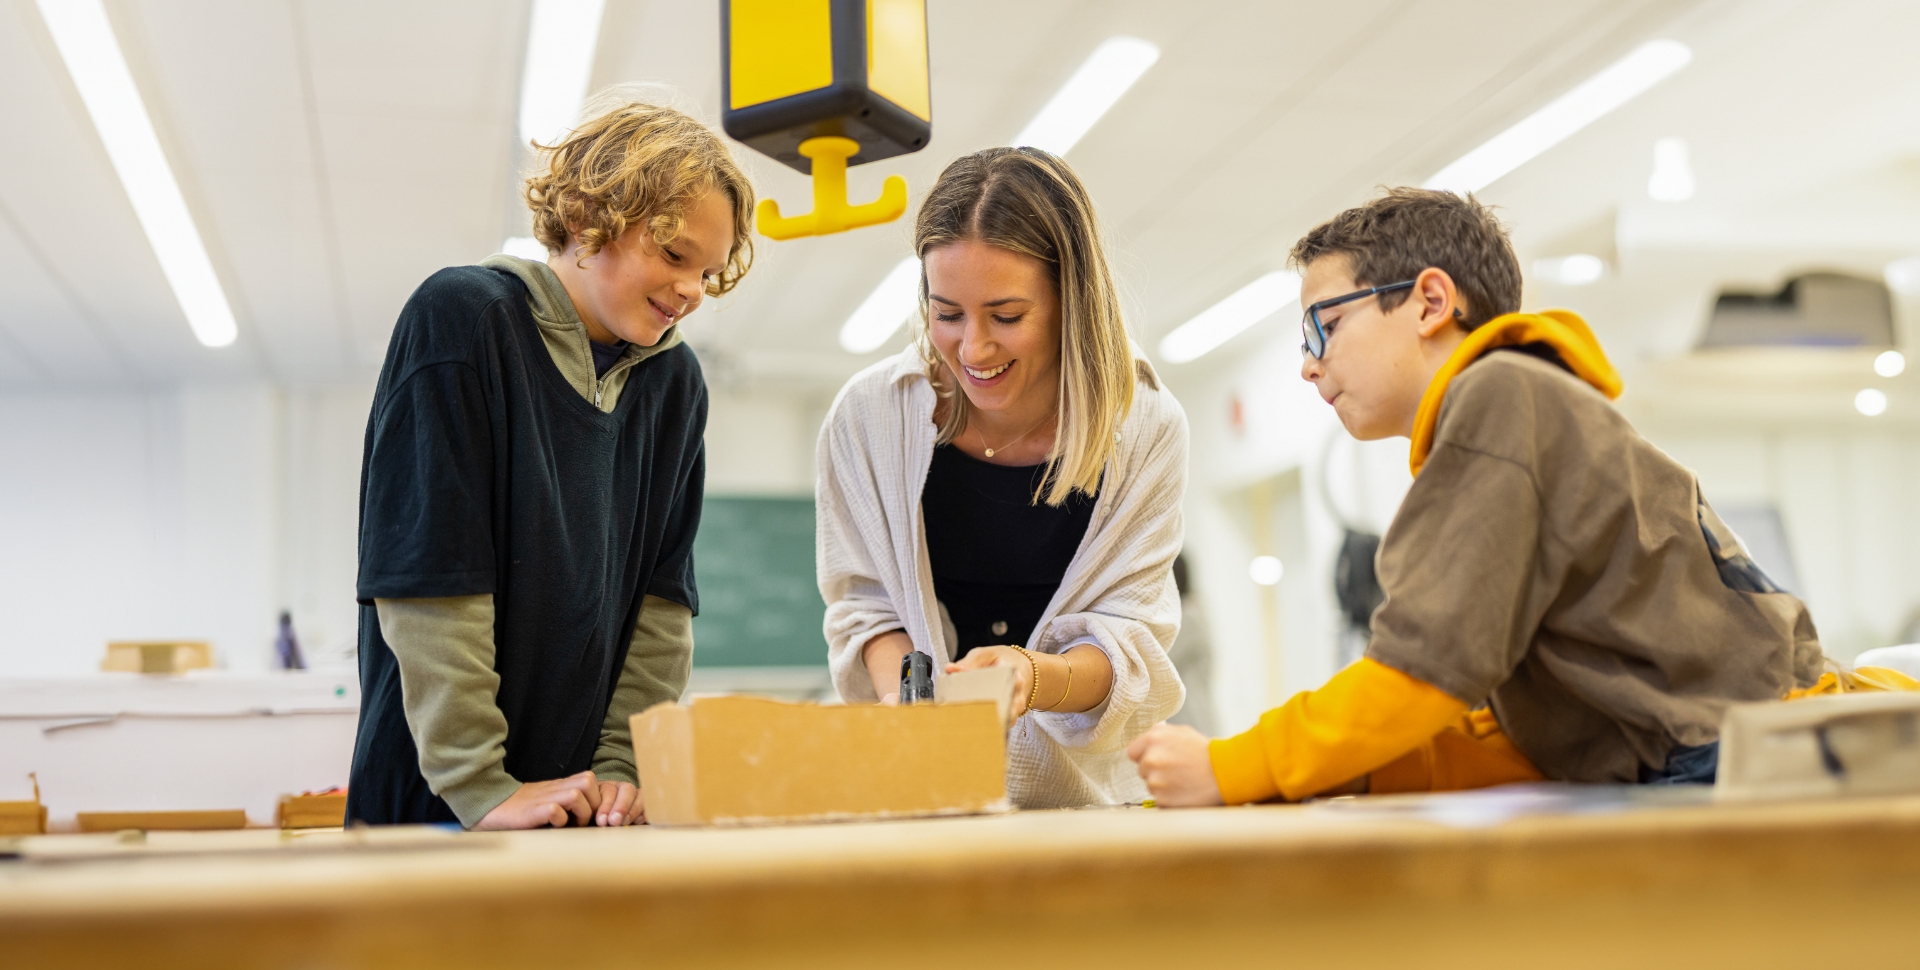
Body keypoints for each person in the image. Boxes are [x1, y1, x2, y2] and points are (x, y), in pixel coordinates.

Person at [1129, 187, 1823, 806]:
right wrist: (1352, 769)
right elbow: (1522, 739)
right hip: (1724, 752)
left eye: (1325, 326)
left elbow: (1420, 671)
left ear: (1430, 302)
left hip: (1737, 760)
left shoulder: (1501, 395)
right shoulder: (1519, 408)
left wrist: (1232, 766)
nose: (1310, 366)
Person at [346, 95, 754, 829]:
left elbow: (662, 607)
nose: (693, 290)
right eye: (674, 256)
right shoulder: (465, 319)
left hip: (582, 812)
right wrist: (481, 784)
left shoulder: (674, 385)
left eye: (709, 272)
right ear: (587, 218)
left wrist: (623, 768)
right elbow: (430, 580)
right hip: (435, 809)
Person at [816, 147, 1187, 808]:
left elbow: (1131, 642)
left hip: (1085, 805)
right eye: (947, 313)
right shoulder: (870, 416)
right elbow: (865, 608)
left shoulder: (1145, 423)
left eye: (1007, 317)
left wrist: (1032, 676)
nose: (974, 349)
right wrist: (913, 704)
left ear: (1070, 301)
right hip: (919, 794)